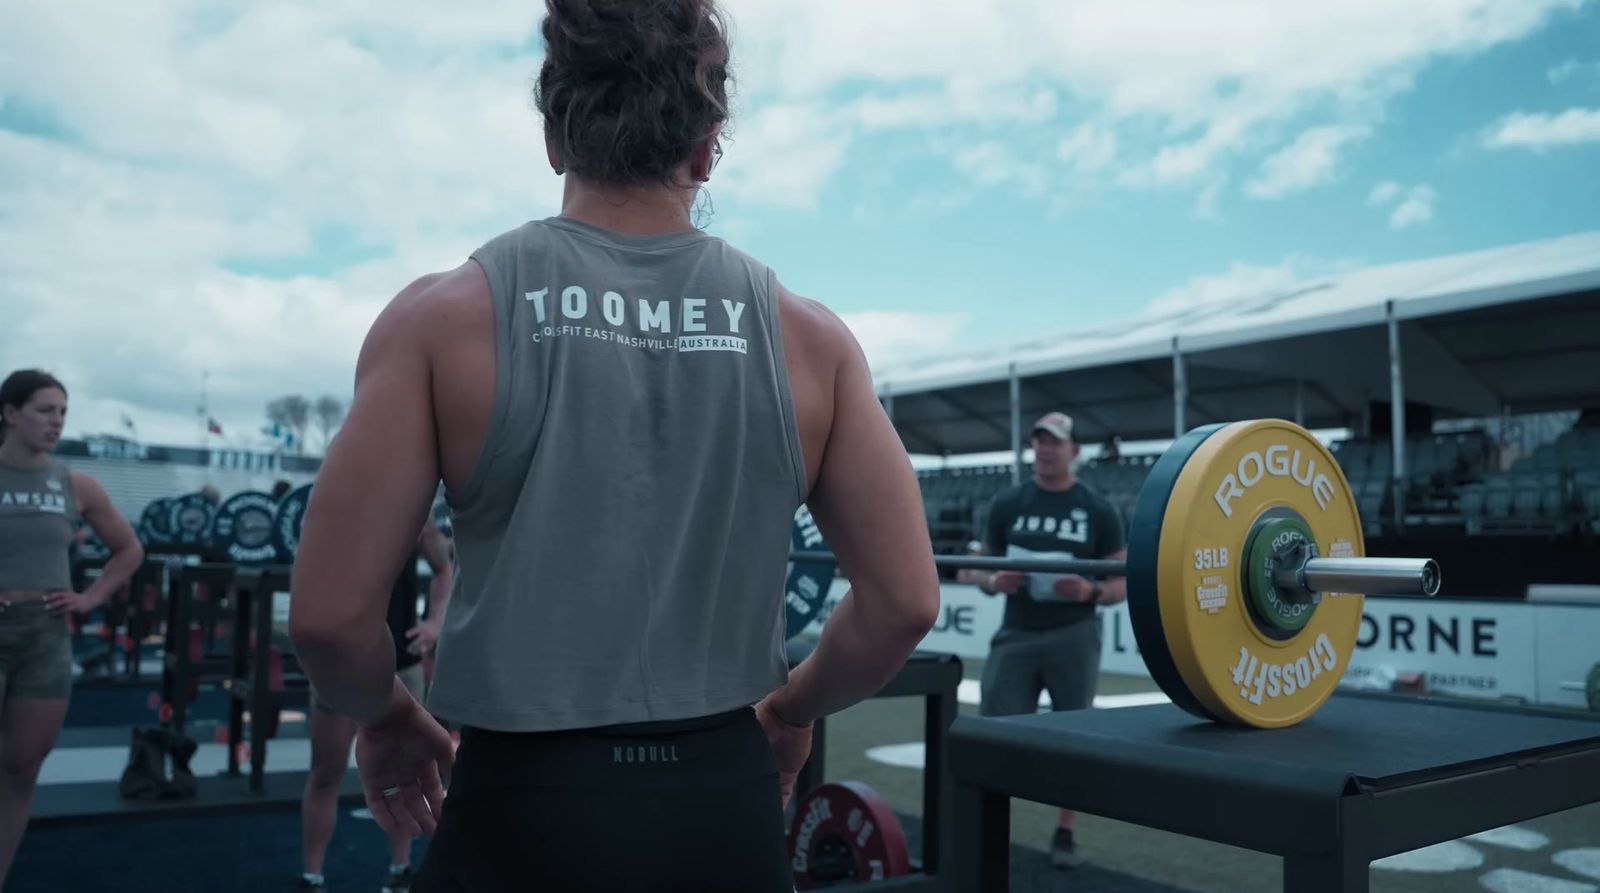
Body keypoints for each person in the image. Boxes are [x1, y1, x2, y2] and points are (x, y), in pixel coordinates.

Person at [286, 0, 941, 889]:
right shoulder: (812, 341)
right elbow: (903, 601)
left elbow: (328, 617)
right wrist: (792, 709)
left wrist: (388, 714)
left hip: (520, 805)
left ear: (556, 137)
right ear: (708, 146)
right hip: (724, 803)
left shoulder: (441, 319)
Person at [0, 370, 143, 886]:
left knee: (21, 769)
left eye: (62, 412)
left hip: (45, 636)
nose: (56, 421)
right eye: (44, 410)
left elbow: (129, 551)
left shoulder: (74, 484)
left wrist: (90, 598)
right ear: (10, 413)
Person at [971, 411, 1126, 870]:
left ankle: (1065, 832)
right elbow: (972, 568)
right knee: (992, 730)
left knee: (1072, 734)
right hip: (1016, 632)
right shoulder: (1008, 503)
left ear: (1074, 451)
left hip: (1072, 634)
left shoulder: (1098, 509)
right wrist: (994, 580)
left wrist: (1092, 591)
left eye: (1055, 442)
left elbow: (1122, 583)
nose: (1045, 449)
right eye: (1039, 441)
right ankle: (985, 825)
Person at [296, 519, 454, 893]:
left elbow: (444, 568)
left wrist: (435, 622)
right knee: (325, 772)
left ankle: (400, 870)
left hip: (403, 661)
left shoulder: (417, 520)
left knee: (406, 773)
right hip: (342, 666)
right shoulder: (336, 513)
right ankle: (311, 877)